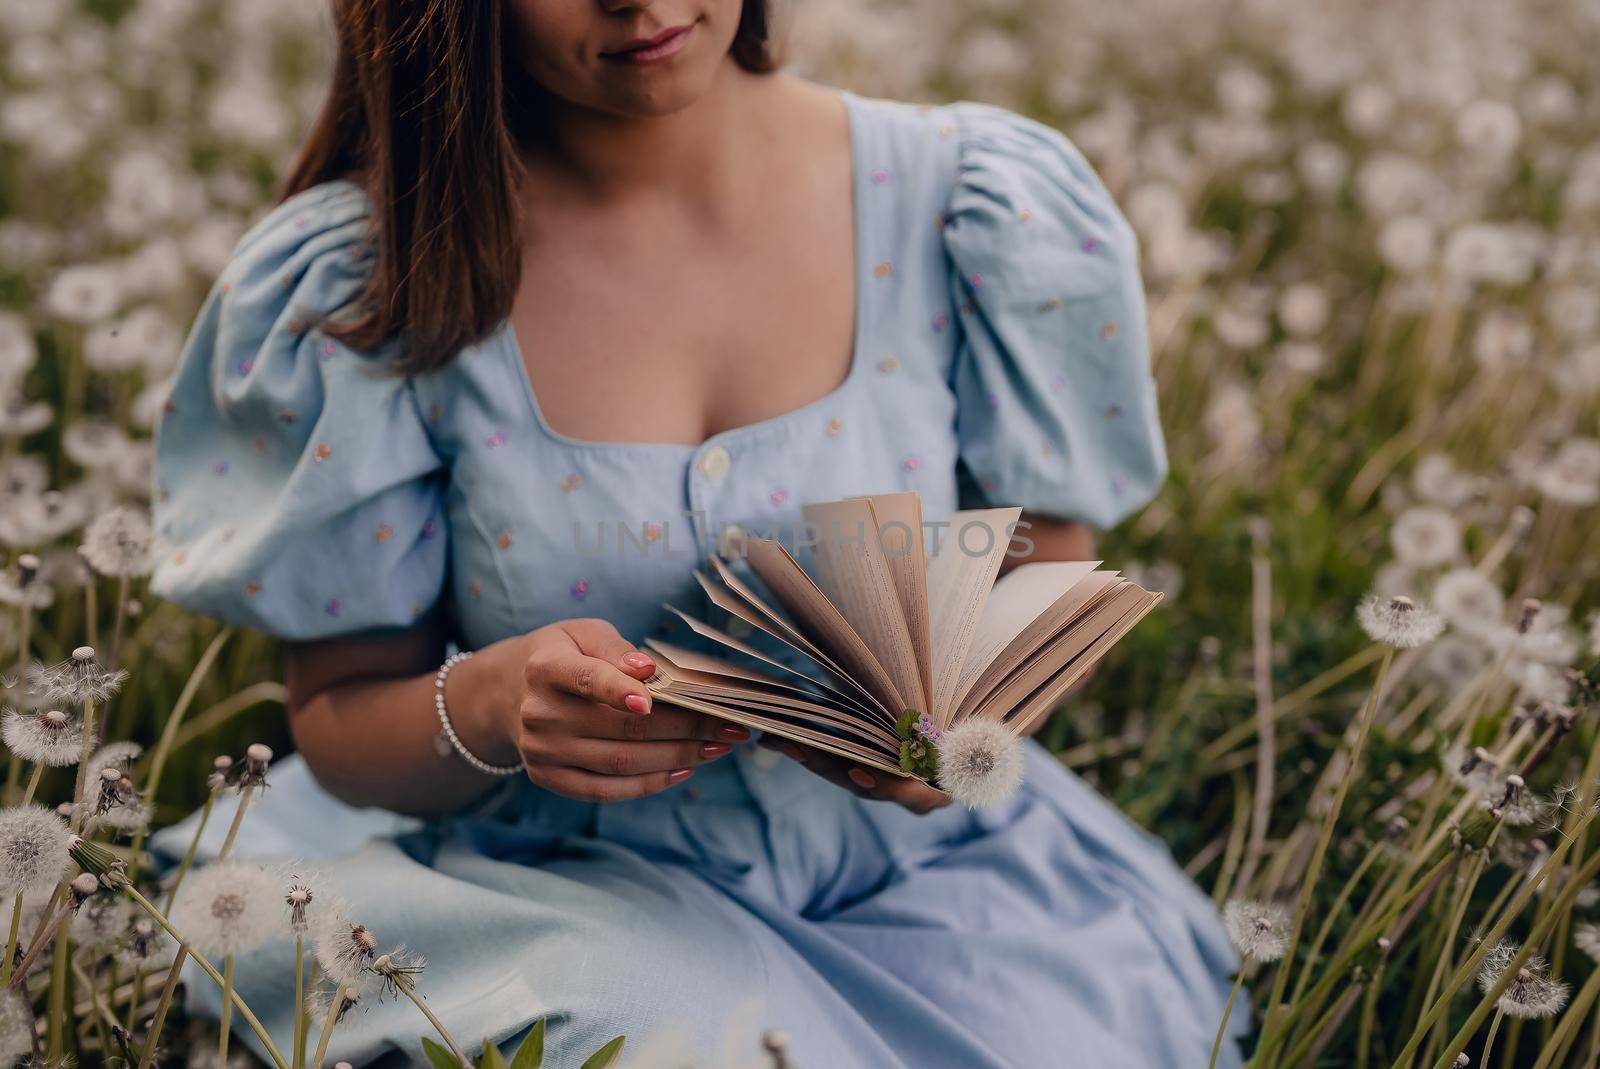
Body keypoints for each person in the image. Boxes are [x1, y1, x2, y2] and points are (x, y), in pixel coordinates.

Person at [150, 1, 1242, 1065]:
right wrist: (490, 704)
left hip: (930, 869)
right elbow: (338, 715)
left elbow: (1049, 546)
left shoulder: (966, 199)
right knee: (663, 1032)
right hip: (566, 891)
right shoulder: (380, 273)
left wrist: (967, 715)